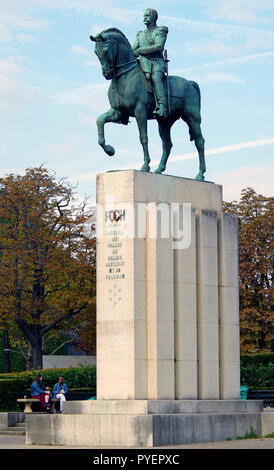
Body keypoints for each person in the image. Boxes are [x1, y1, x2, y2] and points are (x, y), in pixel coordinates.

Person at [132, 8, 168, 118]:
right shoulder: (140, 35)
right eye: (144, 15)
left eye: (147, 15)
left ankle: (162, 106)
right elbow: (133, 50)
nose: (145, 17)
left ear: (154, 17)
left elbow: (159, 46)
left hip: (157, 63)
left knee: (156, 78)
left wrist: (140, 51)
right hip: (143, 63)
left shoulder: (160, 31)